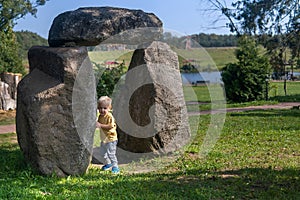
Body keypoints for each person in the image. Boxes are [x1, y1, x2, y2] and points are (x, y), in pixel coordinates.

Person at [96, 96, 120, 174]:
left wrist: (100, 125)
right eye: (100, 108)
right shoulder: (100, 116)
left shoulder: (109, 116)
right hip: (104, 139)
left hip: (111, 139)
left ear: (109, 108)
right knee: (103, 153)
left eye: (105, 108)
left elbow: (110, 126)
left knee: (111, 154)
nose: (102, 110)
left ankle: (115, 167)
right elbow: (98, 124)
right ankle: (108, 164)